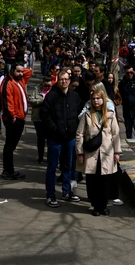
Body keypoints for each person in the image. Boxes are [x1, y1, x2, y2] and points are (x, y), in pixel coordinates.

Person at [76, 87, 122, 216]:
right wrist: (80, 153)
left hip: (107, 152)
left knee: (105, 181)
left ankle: (103, 206)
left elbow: (116, 134)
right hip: (91, 153)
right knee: (92, 181)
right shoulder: (87, 115)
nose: (96, 101)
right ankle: (96, 206)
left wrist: (117, 152)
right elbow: (79, 134)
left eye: (98, 98)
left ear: (103, 99)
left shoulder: (110, 115)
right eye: (94, 99)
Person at [41, 70, 83, 207]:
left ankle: (66, 191)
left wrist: (74, 129)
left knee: (67, 166)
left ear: (69, 81)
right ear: (57, 81)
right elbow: (45, 116)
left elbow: (80, 113)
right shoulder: (51, 97)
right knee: (52, 167)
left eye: (66, 79)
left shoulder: (75, 96)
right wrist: (54, 129)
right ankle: (50, 194)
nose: (64, 81)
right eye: (61, 79)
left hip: (69, 137)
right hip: (55, 138)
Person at [0, 64, 33, 180]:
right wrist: (12, 116)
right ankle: (8, 170)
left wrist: (22, 69)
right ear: (12, 70)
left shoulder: (21, 80)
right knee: (9, 145)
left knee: (12, 145)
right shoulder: (8, 83)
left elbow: (30, 72)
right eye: (18, 71)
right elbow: (7, 101)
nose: (21, 73)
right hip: (13, 119)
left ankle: (9, 169)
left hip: (20, 117)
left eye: (21, 71)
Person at [117, 65, 135, 139]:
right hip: (127, 110)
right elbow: (120, 93)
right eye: (128, 73)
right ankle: (130, 144)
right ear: (125, 72)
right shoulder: (122, 83)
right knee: (128, 130)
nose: (129, 74)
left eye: (131, 72)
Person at [30, 78, 53, 164]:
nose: (47, 87)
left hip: (49, 118)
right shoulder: (36, 90)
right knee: (41, 137)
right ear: (42, 84)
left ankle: (50, 157)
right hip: (38, 118)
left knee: (50, 138)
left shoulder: (53, 92)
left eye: (49, 86)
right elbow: (31, 100)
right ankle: (40, 156)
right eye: (45, 85)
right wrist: (41, 101)